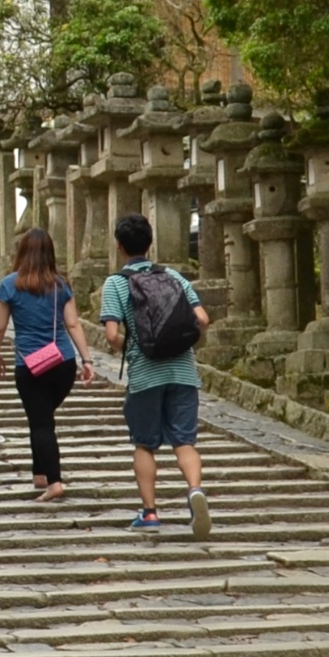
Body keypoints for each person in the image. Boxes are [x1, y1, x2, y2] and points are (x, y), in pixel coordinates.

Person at [100, 212, 210, 537]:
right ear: (150, 243)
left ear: (120, 246)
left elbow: (111, 335)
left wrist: (133, 348)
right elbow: (202, 319)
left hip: (146, 374)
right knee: (185, 442)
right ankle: (195, 490)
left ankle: (149, 513)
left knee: (144, 444)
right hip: (183, 371)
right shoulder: (173, 276)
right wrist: (184, 343)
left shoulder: (116, 283)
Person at [0, 228, 94, 500]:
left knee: (41, 422)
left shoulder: (9, 285)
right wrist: (86, 359)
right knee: (41, 417)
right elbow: (73, 323)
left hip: (30, 364)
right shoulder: (61, 285)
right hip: (62, 362)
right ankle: (39, 473)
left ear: (22, 252)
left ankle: (54, 482)